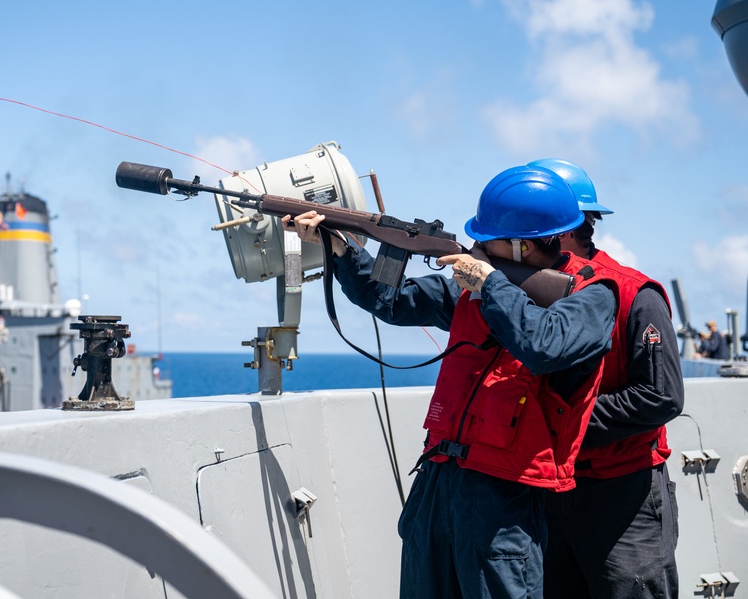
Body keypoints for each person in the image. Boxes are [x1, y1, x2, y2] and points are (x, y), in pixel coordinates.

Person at [283, 165, 619, 598]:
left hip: (504, 498)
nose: (477, 247)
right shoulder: (476, 288)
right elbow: (390, 300)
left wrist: (491, 285)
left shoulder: (591, 295)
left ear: (523, 245)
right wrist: (343, 251)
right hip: (440, 479)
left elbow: (544, 346)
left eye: (488, 239)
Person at [529, 158, 683, 599]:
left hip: (624, 500)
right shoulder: (527, 293)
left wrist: (563, 421)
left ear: (558, 228)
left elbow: (661, 397)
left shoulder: (636, 295)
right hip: (548, 491)